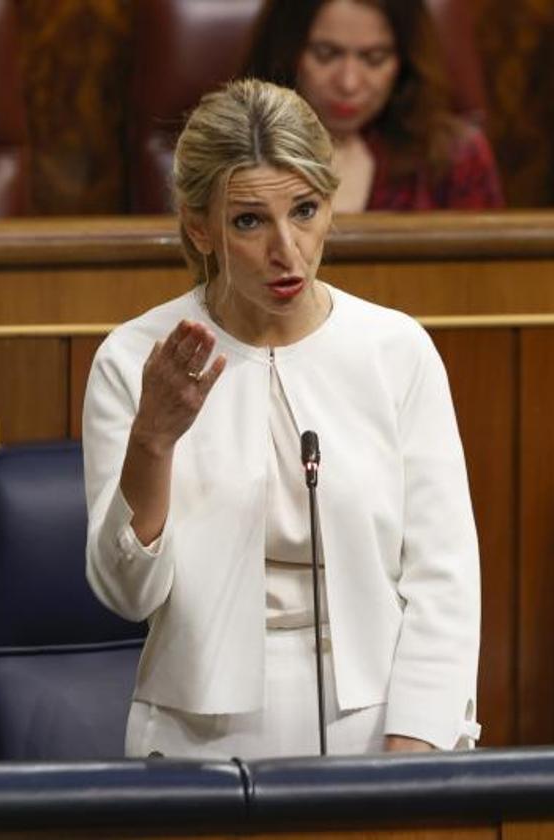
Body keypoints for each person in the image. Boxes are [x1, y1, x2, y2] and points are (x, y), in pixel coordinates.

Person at [83, 78, 481, 759]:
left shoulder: (396, 349)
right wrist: (153, 439)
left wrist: (416, 744)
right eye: (248, 221)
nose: (286, 251)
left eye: (304, 210)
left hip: (381, 719)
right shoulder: (136, 359)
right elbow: (126, 593)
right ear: (198, 226)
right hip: (196, 730)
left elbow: (444, 574)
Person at [244, 0, 504, 212]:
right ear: (285, 50)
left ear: (403, 61)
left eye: (374, 58)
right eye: (325, 54)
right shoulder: (228, 148)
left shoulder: (457, 157)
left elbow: (484, 274)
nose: (349, 83)